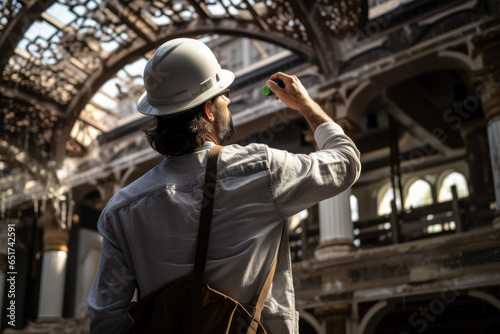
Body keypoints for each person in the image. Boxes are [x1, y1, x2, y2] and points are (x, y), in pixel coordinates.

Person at [87, 38, 361, 333]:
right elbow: (346, 162)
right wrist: (306, 105)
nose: (228, 102)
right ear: (208, 110)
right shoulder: (260, 169)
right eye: (224, 96)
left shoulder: (122, 209)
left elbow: (106, 321)